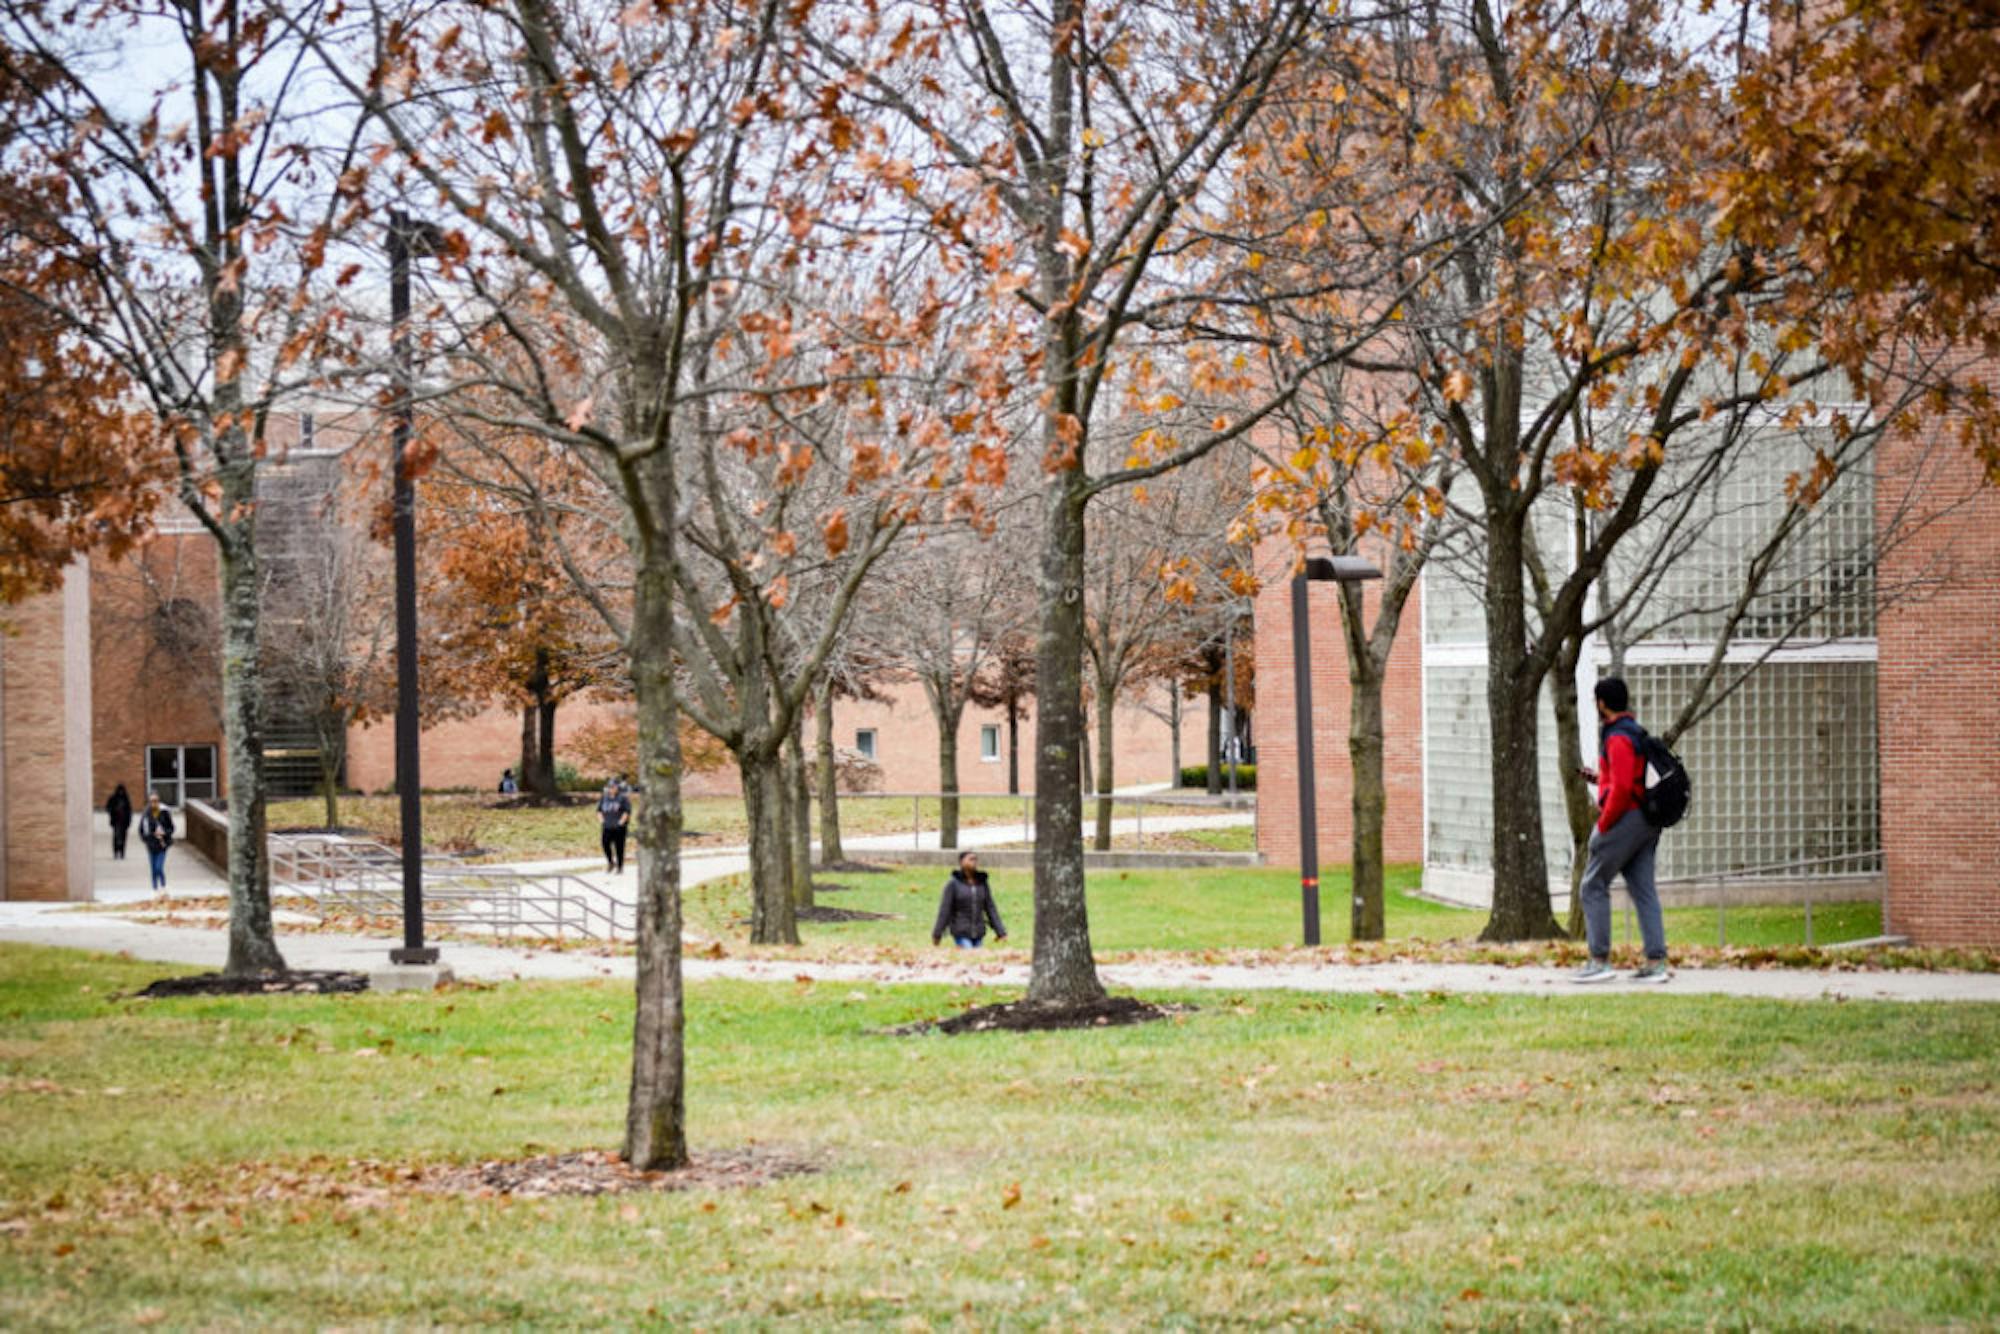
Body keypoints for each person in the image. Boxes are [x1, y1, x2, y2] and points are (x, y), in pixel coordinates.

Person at [1571, 677, 1670, 984]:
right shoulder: (1635, 732)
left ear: (1602, 703)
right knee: (1643, 889)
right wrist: (1599, 779)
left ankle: (1599, 960)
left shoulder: (1617, 738)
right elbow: (1625, 778)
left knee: (1592, 885)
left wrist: (1602, 825)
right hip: (1647, 822)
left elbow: (1624, 788)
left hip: (1626, 819)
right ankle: (1656, 963)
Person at [932, 851, 1007, 949]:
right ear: (961, 862)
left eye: (975, 859)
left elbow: (990, 908)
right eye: (970, 859)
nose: (974, 862)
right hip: (961, 931)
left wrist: (1001, 932)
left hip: (978, 933)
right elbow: (944, 910)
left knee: (978, 958)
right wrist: (937, 934)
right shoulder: (953, 884)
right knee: (969, 953)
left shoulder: (982, 883)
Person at [137, 792, 175, 892]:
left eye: (156, 801)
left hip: (162, 845)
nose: (154, 803)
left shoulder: (164, 812)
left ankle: (163, 885)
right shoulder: (146, 814)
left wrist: (164, 833)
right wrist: (147, 839)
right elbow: (141, 830)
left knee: (159, 867)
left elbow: (171, 828)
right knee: (153, 869)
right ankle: (154, 888)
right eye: (152, 801)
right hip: (151, 845)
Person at [598, 778, 631, 874]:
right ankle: (610, 862)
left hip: (619, 827)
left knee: (619, 847)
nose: (611, 789)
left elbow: (626, 811)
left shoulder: (623, 798)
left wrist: (621, 822)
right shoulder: (604, 798)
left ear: (617, 787)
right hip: (607, 826)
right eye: (609, 787)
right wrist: (602, 821)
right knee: (605, 844)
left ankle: (620, 867)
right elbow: (599, 810)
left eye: (613, 787)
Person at [105, 784, 133, 861]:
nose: (121, 792)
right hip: (116, 821)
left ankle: (122, 852)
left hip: (124, 822)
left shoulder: (126, 799)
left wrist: (129, 821)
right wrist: (113, 810)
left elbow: (129, 811)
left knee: (123, 838)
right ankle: (116, 852)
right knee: (116, 837)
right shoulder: (113, 798)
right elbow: (108, 807)